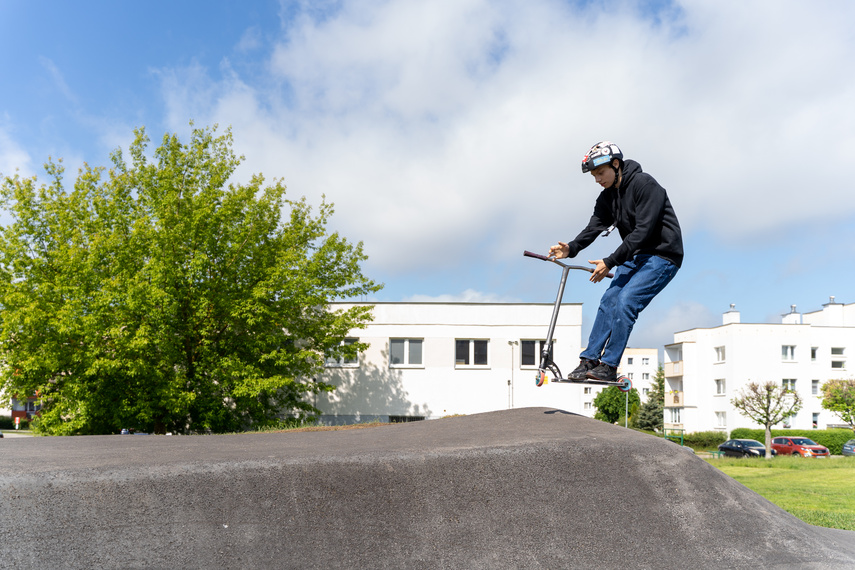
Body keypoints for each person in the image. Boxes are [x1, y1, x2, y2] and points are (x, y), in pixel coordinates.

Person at [548, 141, 683, 383]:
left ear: (616, 164)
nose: (597, 179)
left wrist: (610, 261)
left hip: (663, 257)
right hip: (634, 257)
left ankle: (609, 365)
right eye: (593, 175)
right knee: (608, 300)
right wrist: (571, 248)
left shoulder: (645, 185)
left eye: (600, 173)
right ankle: (589, 360)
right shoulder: (607, 197)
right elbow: (593, 227)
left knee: (625, 301)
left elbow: (642, 232)